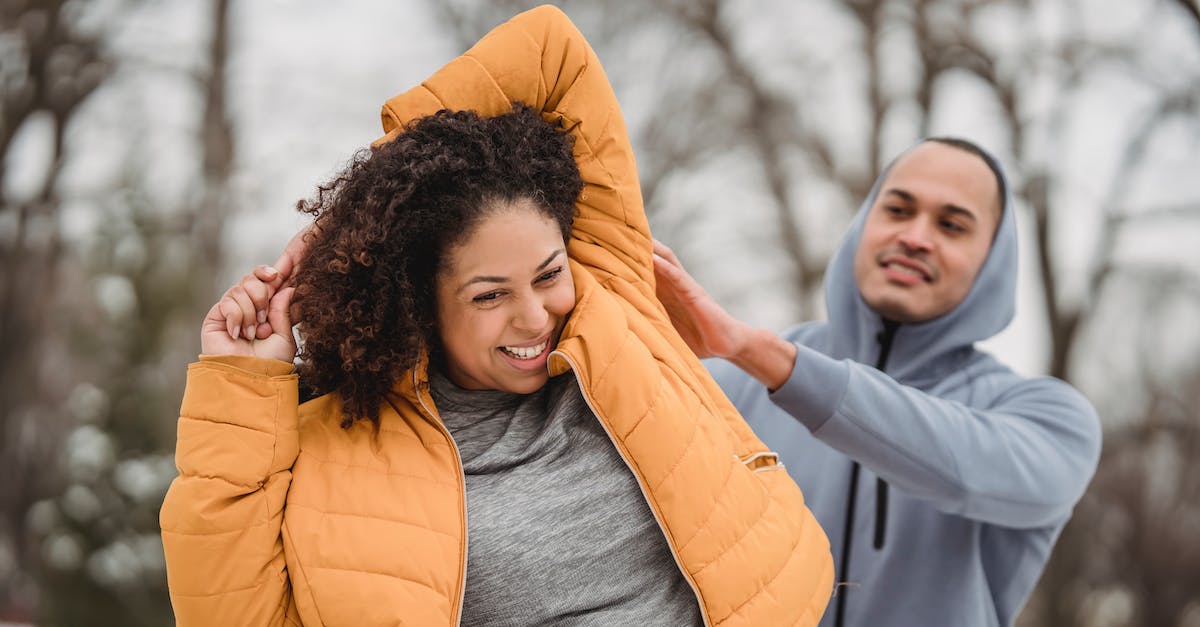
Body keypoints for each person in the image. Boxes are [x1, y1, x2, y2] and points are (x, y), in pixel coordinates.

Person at [159, 6, 833, 627]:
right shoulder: (340, 442)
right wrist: (242, 385)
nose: (536, 315)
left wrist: (360, 207)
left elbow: (550, 47)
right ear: (421, 303)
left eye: (548, 274)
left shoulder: (611, 302)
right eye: (489, 295)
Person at [652, 138, 1102, 627]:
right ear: (863, 223)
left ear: (992, 262)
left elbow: (962, 465)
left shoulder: (1052, 420)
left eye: (951, 225)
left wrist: (767, 360)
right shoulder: (730, 386)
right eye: (898, 209)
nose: (916, 236)